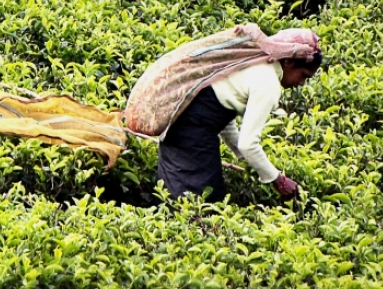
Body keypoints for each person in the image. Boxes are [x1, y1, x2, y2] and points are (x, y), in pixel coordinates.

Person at [121, 23, 321, 203]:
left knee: (177, 196)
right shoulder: (269, 83)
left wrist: (250, 163)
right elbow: (248, 143)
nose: (301, 83)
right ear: (288, 62)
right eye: (303, 75)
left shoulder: (253, 63)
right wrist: (278, 179)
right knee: (201, 202)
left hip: (180, 126)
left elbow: (223, 120)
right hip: (191, 132)